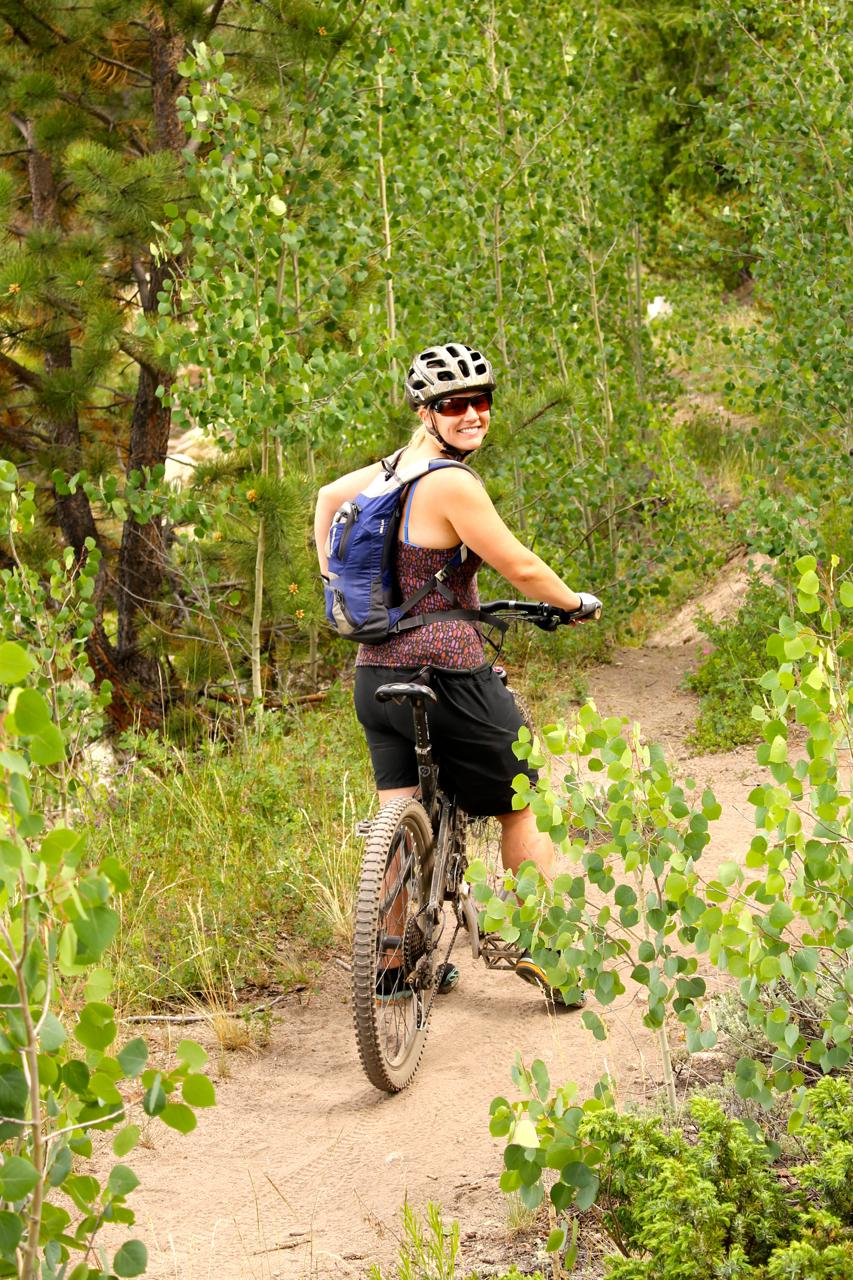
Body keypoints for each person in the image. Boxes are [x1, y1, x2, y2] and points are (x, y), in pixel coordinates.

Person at [314, 342, 601, 1003]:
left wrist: (330, 581)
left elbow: (327, 497)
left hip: (375, 676)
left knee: (397, 811)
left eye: (481, 401)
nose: (472, 414)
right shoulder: (448, 481)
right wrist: (571, 603)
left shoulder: (393, 468)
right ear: (425, 410)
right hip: (446, 671)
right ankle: (548, 952)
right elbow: (520, 567)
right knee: (522, 799)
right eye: (454, 405)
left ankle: (387, 970)